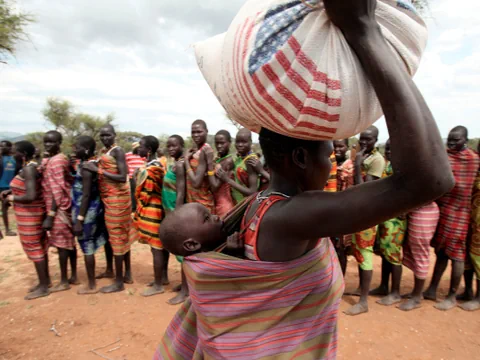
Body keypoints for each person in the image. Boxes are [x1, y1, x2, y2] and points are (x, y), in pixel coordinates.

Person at [154, 1, 454, 357]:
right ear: (299, 157)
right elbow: (431, 179)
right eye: (326, 155)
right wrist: (363, 30)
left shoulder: (259, 203)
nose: (329, 164)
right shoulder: (292, 216)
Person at [424, 126, 480, 311]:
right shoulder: (445, 157)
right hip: (444, 211)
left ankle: (451, 296)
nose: (451, 143)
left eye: (456, 140)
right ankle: (432, 289)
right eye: (449, 139)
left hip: (461, 213)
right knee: (441, 253)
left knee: (457, 255)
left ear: (465, 140)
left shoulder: (472, 160)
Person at [83, 124, 133, 293]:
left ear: (114, 135)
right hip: (110, 199)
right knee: (119, 235)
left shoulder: (117, 151)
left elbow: (122, 176)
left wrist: (98, 171)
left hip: (117, 199)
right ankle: (126, 273)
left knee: (118, 237)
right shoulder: (105, 152)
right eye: (102, 136)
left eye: (107, 135)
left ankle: (119, 282)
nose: (105, 138)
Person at [1, 141, 50, 300]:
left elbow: (30, 196)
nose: (12, 154)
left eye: (15, 151)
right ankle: (45, 281)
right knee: (39, 246)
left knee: (34, 246)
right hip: (30, 214)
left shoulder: (29, 169)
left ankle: (43, 286)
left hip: (30, 215)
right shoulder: (30, 167)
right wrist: (11, 190)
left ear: (22, 154)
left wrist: (12, 197)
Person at [345, 125, 386, 315]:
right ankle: (363, 289)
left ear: (376, 141)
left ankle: (363, 301)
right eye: (362, 138)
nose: (363, 142)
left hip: (368, 214)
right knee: (358, 251)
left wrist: (358, 164)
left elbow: (365, 191)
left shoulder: (376, 160)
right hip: (357, 213)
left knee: (365, 252)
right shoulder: (361, 155)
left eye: (368, 139)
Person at [131, 136, 169, 297]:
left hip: (152, 209)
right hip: (159, 207)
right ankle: (163, 278)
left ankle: (158, 285)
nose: (138, 149)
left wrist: (135, 179)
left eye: (141, 146)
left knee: (156, 248)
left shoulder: (150, 169)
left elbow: (145, 194)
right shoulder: (158, 165)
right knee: (161, 246)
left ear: (149, 150)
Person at [41, 131, 77, 292]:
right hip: (63, 206)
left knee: (62, 245)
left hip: (58, 208)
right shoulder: (57, 160)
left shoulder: (57, 161)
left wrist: (51, 214)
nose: (48, 145)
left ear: (59, 142)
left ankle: (64, 281)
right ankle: (74, 275)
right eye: (46, 142)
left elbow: (58, 189)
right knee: (69, 242)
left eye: (51, 142)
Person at [372, 139, 408, 306]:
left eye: (393, 149)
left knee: (393, 254)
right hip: (386, 217)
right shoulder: (389, 165)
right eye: (387, 149)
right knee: (385, 253)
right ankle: (384, 286)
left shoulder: (404, 168)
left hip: (396, 219)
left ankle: (395, 292)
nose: (388, 152)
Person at [71, 136, 108, 295]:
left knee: (87, 245)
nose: (74, 150)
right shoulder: (91, 164)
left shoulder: (87, 168)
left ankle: (91, 285)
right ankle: (109, 270)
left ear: (86, 149)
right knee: (98, 240)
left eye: (77, 147)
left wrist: (79, 219)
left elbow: (86, 195)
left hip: (86, 212)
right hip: (94, 209)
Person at [162, 135, 188, 305]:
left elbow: (181, 191)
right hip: (169, 210)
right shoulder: (174, 163)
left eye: (174, 146)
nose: (171, 149)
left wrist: (177, 215)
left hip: (175, 210)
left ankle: (186, 292)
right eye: (169, 146)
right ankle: (185, 285)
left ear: (181, 146)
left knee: (183, 253)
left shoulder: (179, 166)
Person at [399, 203, 440, 311]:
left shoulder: (429, 186)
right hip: (420, 211)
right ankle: (416, 293)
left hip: (423, 213)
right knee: (416, 252)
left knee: (420, 254)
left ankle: (416, 297)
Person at [459, 141, 480, 311]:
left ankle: (479, 297)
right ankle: (467, 291)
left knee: (478, 258)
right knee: (467, 257)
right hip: (469, 218)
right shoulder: (474, 165)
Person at [217, 128, 260, 204]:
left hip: (245, 205)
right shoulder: (240, 157)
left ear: (250, 142)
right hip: (238, 202)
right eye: (238, 142)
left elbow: (252, 192)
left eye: (244, 142)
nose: (240, 145)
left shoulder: (250, 161)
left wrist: (228, 180)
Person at [184, 119, 216, 214]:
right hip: (194, 203)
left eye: (199, 132)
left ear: (206, 131)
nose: (196, 135)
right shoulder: (195, 151)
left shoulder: (205, 151)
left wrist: (186, 161)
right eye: (193, 132)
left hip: (202, 204)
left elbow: (196, 183)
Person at [334, 139, 355, 274]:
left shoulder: (350, 166)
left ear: (346, 147)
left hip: (344, 211)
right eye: (335, 146)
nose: (337, 149)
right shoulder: (329, 163)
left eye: (341, 146)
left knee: (341, 248)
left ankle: (341, 279)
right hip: (330, 210)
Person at [210, 130, 235, 218]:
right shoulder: (219, 159)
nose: (219, 146)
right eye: (217, 143)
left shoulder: (227, 161)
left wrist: (209, 166)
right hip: (218, 203)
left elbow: (215, 186)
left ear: (229, 143)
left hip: (224, 205)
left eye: (222, 143)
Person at [0, 140, 18, 237]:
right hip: (0, 186)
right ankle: (4, 230)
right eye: (0, 146)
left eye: (4, 146)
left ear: (10, 147)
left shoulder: (13, 159)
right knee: (3, 208)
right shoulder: (0, 158)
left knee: (5, 208)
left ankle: (7, 229)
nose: (2, 148)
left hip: (9, 187)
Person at [125, 142, 146, 213]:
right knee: (133, 192)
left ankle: (139, 207)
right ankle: (133, 208)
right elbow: (124, 163)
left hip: (140, 177)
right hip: (132, 177)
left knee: (140, 192)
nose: (138, 149)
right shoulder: (128, 155)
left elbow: (144, 162)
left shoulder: (142, 155)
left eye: (139, 148)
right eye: (137, 148)